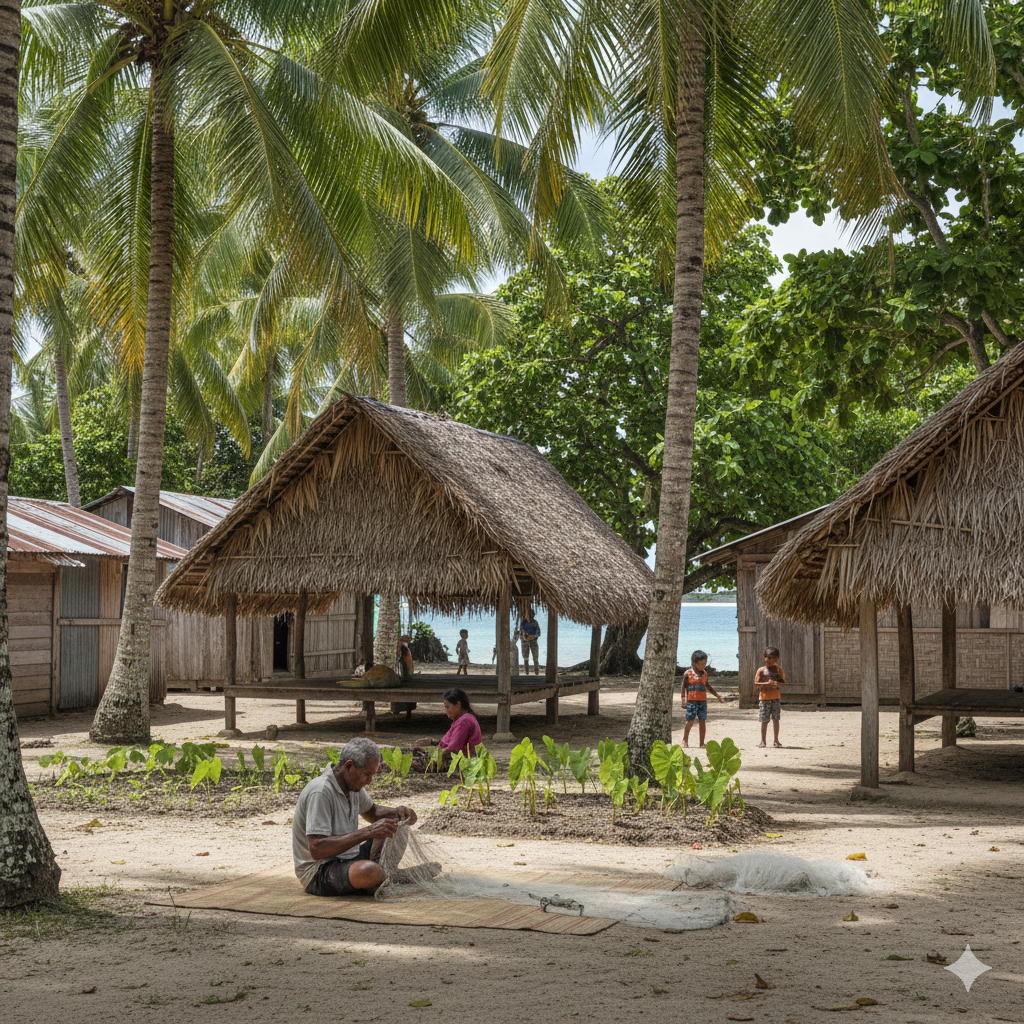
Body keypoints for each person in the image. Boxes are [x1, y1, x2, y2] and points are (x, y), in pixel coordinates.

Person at [292, 737, 417, 897]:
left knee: (398, 829)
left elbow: (373, 812)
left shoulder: (353, 786)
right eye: (367, 774)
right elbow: (317, 849)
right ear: (349, 766)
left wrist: (399, 813)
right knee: (368, 872)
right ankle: (387, 876)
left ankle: (383, 876)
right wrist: (368, 832)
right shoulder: (321, 791)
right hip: (320, 872)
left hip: (350, 858)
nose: (370, 781)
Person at [414, 688, 482, 764]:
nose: (447, 711)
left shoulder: (464, 721)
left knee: (412, 762)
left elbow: (452, 749)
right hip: (453, 756)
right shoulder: (464, 719)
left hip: (461, 762)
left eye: (448, 707)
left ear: (458, 705)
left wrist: (432, 757)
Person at [680, 649, 724, 748]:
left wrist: (717, 696)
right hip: (691, 702)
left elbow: (708, 686)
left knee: (702, 721)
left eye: (704, 663)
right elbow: (684, 687)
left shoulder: (705, 674)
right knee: (690, 721)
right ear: (694, 663)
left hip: (702, 702)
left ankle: (701, 743)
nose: (703, 666)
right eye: (700, 664)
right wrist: (683, 699)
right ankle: (685, 740)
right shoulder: (688, 674)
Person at [754, 646, 784, 748]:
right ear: (764, 657)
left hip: (775, 697)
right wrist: (767, 683)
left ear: (777, 659)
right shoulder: (761, 670)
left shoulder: (778, 670)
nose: (770, 660)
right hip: (764, 698)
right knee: (764, 720)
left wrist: (776, 683)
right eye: (767, 657)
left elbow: (782, 680)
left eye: (772, 658)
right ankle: (763, 741)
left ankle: (776, 740)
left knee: (776, 719)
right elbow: (756, 683)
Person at [519, 608, 541, 675]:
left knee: (535, 658)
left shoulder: (535, 622)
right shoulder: (523, 623)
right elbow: (521, 632)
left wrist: (532, 636)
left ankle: (536, 673)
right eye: (530, 614)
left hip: (533, 641)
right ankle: (527, 673)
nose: (532, 616)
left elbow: (539, 633)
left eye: (532, 614)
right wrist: (525, 636)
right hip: (525, 641)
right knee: (526, 658)